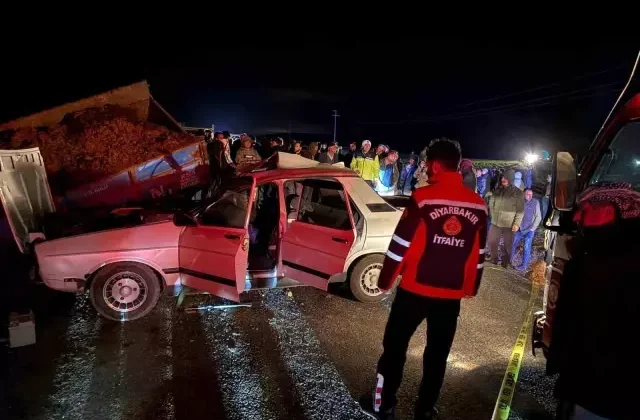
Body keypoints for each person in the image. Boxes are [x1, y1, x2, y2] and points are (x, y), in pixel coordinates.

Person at [360, 138, 488, 420]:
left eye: (429, 165)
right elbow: (479, 254)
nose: (426, 171)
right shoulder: (479, 206)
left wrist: (384, 281)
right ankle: (426, 409)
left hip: (413, 291)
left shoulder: (422, 198)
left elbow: (399, 245)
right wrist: (470, 287)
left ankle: (384, 404)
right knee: (437, 356)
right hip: (450, 297)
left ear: (437, 165)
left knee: (394, 348)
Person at [487, 170, 524, 268]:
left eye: (505, 178)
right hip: (495, 222)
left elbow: (520, 211)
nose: (503, 179)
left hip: (509, 223)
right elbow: (491, 203)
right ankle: (493, 259)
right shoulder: (497, 190)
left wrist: (516, 223)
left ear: (510, 179)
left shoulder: (518, 193)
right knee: (492, 241)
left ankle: (505, 262)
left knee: (507, 245)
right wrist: (492, 214)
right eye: (502, 178)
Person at [511, 188, 541, 271]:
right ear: (523, 194)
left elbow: (538, 217)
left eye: (531, 194)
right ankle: (509, 260)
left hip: (529, 229)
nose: (530, 196)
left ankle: (523, 266)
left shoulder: (535, 203)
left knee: (527, 247)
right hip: (519, 227)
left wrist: (533, 228)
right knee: (512, 243)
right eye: (528, 194)